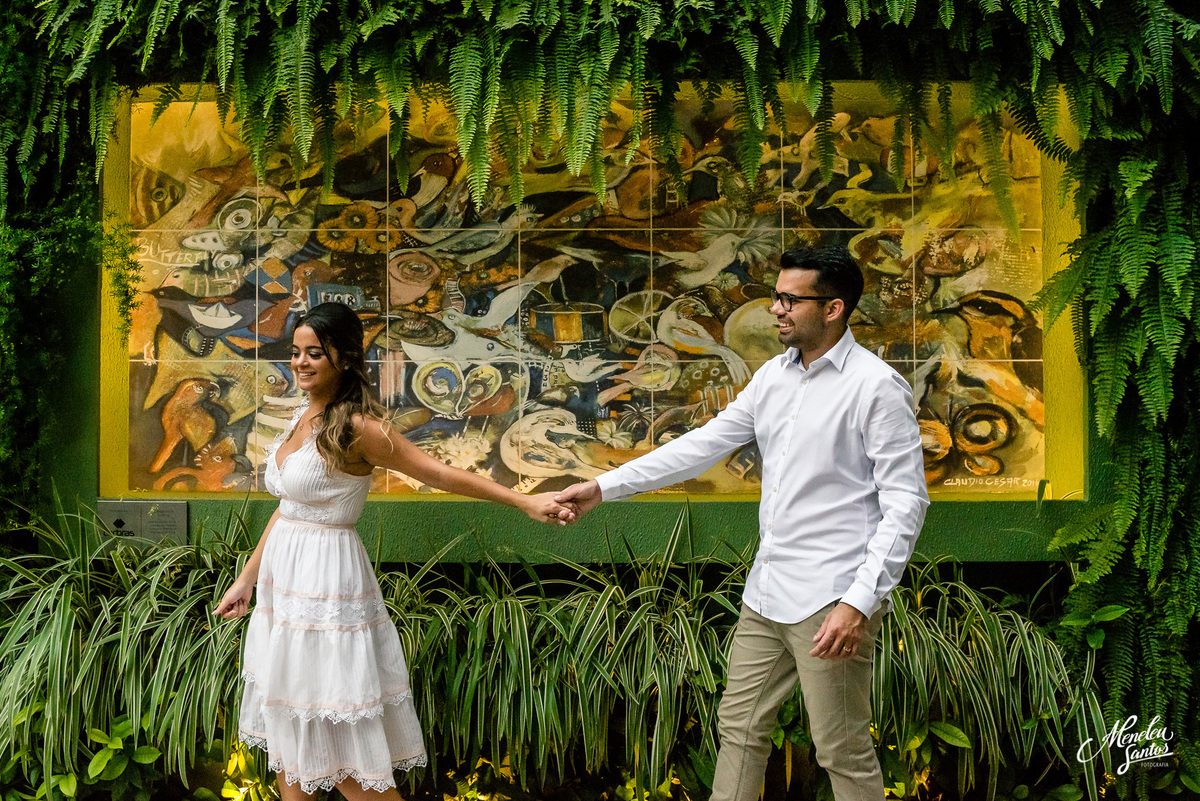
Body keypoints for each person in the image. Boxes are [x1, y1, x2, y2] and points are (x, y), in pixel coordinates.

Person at [555, 245, 929, 801]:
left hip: (832, 597)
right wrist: (603, 487)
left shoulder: (875, 387)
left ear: (833, 309)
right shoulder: (773, 377)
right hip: (767, 590)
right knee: (739, 731)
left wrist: (859, 603)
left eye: (790, 299)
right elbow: (702, 445)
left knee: (841, 750)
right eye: (775, 296)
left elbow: (906, 503)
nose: (776, 309)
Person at [214, 302, 576, 800]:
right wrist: (247, 579)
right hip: (284, 584)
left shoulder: (360, 428)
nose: (299, 362)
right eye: (296, 352)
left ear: (343, 357)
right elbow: (289, 508)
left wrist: (523, 500)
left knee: (338, 741)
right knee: (292, 735)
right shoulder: (301, 415)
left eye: (314, 353)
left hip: (326, 584)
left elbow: (440, 473)